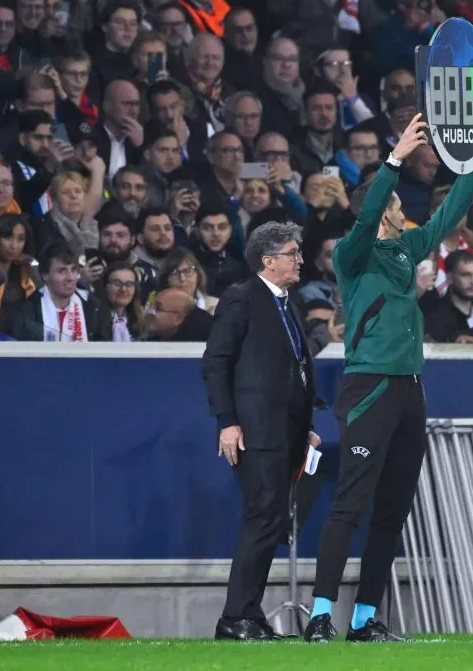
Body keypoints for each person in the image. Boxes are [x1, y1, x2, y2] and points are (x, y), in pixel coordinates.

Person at [305, 114, 473, 643]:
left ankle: (364, 620)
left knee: (393, 509)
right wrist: (393, 161)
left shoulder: (404, 250)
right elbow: (372, 205)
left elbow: (445, 217)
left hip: (408, 390)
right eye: (394, 204)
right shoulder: (354, 254)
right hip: (368, 386)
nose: (402, 211)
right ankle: (320, 615)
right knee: (350, 504)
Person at [201, 221, 322, 641]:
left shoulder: (286, 303)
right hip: (254, 431)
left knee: (270, 520)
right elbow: (215, 362)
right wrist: (227, 422)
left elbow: (293, 372)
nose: (301, 259)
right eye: (293, 253)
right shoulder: (243, 298)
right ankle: (234, 616)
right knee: (261, 516)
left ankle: (248, 614)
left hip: (285, 433)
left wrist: (305, 427)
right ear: (268, 260)